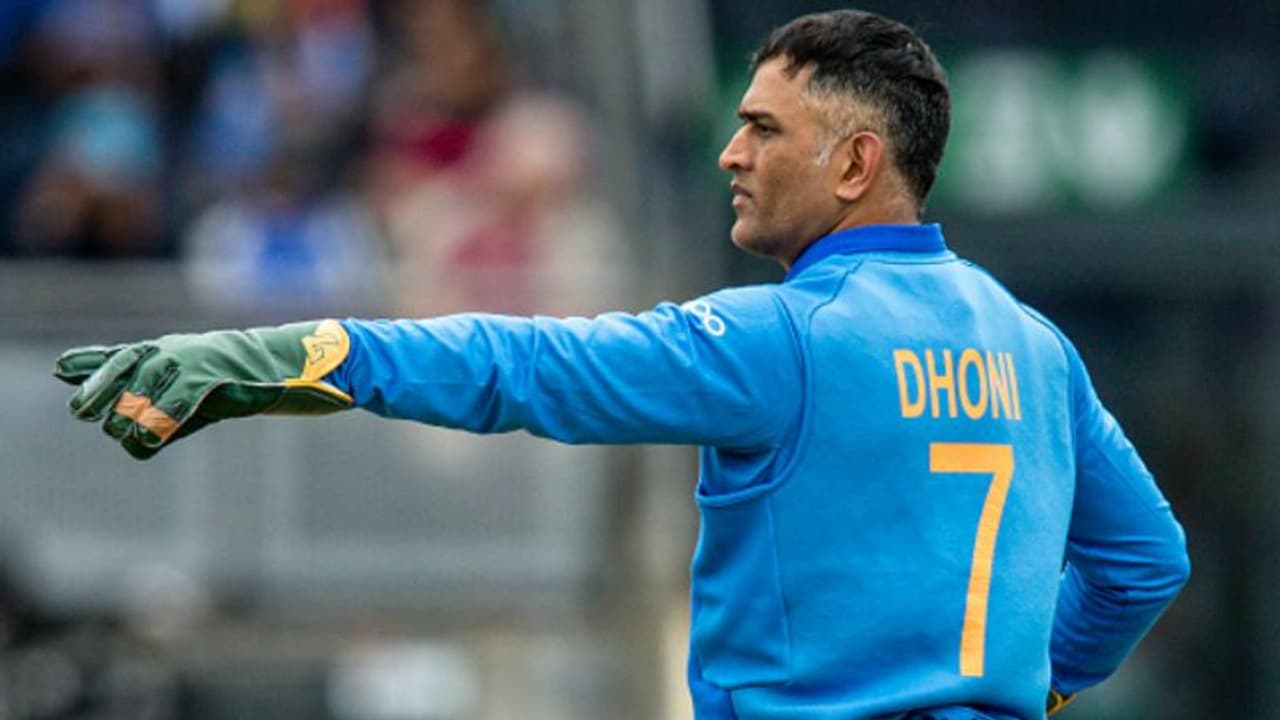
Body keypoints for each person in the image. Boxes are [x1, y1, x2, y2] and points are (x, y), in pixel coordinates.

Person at [54, 10, 1189, 720]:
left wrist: (291, 354)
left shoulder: (786, 339)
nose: (729, 153)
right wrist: (1032, 687)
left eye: (763, 129)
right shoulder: (1035, 348)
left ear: (854, 164)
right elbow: (1144, 562)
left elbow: (524, 364)